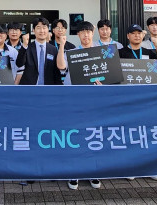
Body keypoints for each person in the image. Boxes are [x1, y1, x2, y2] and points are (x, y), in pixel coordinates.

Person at [54, 21, 102, 191]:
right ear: (78, 35)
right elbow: (61, 66)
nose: (85, 35)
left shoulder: (102, 53)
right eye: (82, 32)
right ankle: (73, 172)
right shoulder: (71, 52)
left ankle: (93, 171)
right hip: (74, 100)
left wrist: (104, 84)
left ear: (92, 32)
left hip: (94, 102)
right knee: (75, 135)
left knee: (92, 136)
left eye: (88, 32)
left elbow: (111, 77)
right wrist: (61, 46)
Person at [119, 24, 157, 182]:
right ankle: (130, 167)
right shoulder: (120, 53)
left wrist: (156, 45)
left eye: (139, 33)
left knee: (148, 132)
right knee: (130, 133)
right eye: (133, 33)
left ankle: (150, 167)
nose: (137, 36)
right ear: (128, 36)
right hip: (127, 100)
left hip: (148, 100)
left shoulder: (149, 52)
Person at [15, 17, 64, 85]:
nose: (42, 31)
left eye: (44, 28)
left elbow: (56, 72)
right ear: (33, 30)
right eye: (38, 28)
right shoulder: (27, 47)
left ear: (48, 30)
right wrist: (24, 46)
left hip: (48, 87)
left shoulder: (53, 49)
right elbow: (19, 63)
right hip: (30, 87)